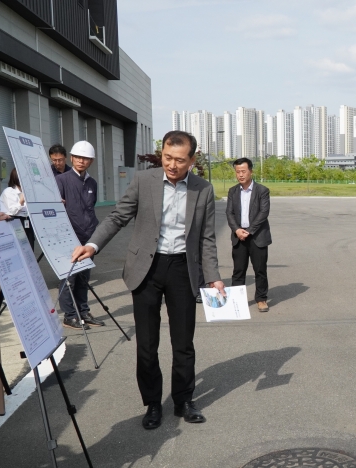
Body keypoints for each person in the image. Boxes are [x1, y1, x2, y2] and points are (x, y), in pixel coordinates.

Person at [72, 131, 224, 430]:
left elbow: (206, 238)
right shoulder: (145, 181)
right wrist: (92, 245)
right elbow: (118, 216)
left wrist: (215, 278)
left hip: (182, 270)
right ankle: (153, 403)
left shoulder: (203, 190)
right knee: (147, 343)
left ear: (192, 160)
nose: (172, 165)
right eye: (167, 157)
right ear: (162, 154)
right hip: (146, 269)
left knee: (183, 343)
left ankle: (183, 399)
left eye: (180, 160)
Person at [56, 141, 104, 330]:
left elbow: (91, 208)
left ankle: (83, 311)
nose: (81, 161)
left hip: (88, 237)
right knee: (69, 278)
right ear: (72, 158)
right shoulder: (62, 180)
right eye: (77, 157)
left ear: (91, 161)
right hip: (69, 236)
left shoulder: (92, 182)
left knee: (84, 277)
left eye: (85, 158)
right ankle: (70, 315)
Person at [226, 157, 272, 312]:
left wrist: (249, 230)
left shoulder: (262, 191)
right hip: (239, 236)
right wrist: (237, 230)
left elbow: (263, 213)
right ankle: (236, 301)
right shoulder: (232, 191)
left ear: (250, 171)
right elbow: (229, 213)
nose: (240, 175)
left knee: (260, 270)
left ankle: (261, 299)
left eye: (243, 171)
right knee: (238, 271)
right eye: (238, 172)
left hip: (257, 236)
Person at [0, 168, 35, 250]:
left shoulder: (27, 191)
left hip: (26, 220)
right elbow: (12, 211)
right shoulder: (9, 191)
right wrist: (21, 201)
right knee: (19, 248)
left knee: (29, 247)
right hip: (13, 220)